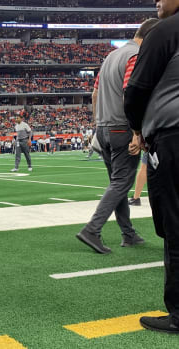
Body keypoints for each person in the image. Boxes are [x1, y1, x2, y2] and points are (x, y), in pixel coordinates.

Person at [76, 18, 159, 254]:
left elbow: (94, 94)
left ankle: (128, 233)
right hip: (122, 128)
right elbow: (129, 93)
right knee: (122, 182)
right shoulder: (135, 56)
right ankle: (92, 229)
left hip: (104, 127)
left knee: (117, 183)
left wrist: (97, 123)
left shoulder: (110, 57)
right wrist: (137, 132)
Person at [124, 1, 179, 333]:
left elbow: (136, 90)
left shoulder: (165, 31)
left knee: (174, 226)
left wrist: (138, 128)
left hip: (172, 139)